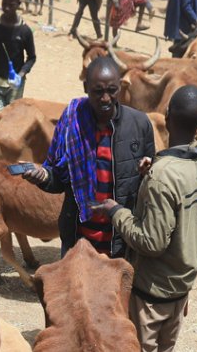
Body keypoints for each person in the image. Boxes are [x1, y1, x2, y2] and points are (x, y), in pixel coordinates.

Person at [95, 85, 197, 352]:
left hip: (153, 289)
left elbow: (150, 241)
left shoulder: (163, 176)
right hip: (183, 283)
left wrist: (117, 212)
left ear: (165, 115)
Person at [21, 55, 155, 257]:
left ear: (120, 86)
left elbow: (151, 181)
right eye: (98, 91)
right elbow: (58, 177)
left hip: (120, 240)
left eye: (112, 91)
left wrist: (148, 171)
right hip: (78, 238)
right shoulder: (71, 122)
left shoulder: (139, 124)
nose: (105, 98)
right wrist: (43, 176)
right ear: (85, 88)